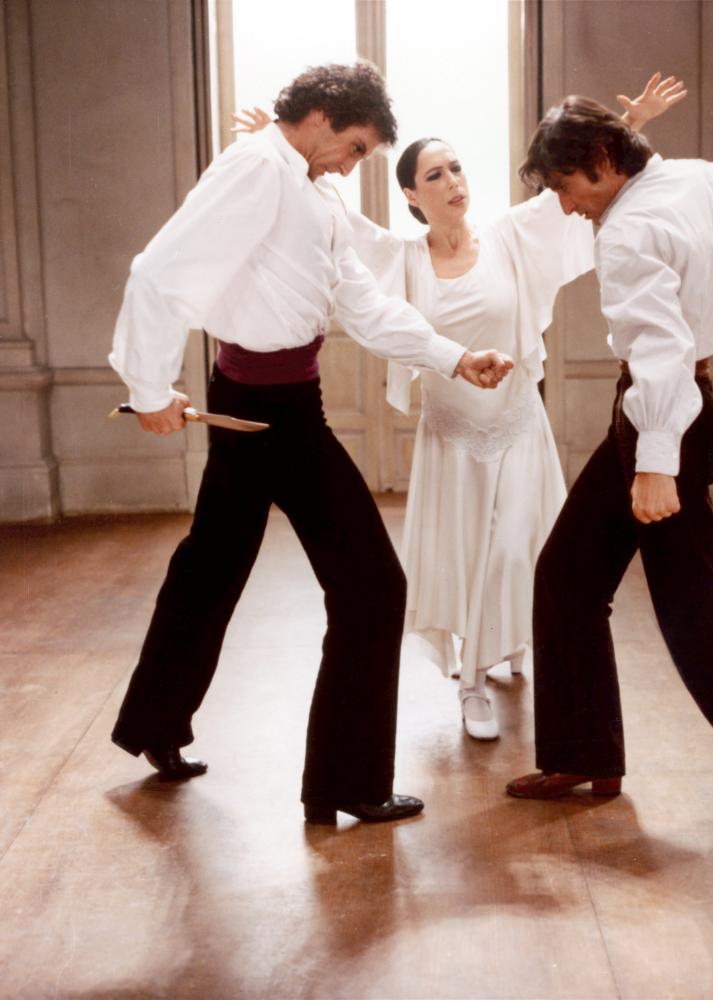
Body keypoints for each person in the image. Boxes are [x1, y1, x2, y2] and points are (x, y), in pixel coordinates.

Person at [108, 62, 513, 826]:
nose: (352, 164)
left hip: (284, 403)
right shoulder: (257, 168)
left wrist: (450, 355)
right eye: (355, 148)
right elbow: (157, 274)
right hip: (260, 414)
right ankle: (346, 785)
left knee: (210, 566)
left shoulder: (310, 187)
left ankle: (155, 725)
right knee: (371, 588)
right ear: (323, 116)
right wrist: (151, 391)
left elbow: (359, 301)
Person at [233, 73, 687, 741]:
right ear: (413, 196)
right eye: (434, 174)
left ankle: (494, 657)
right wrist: (277, 154)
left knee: (515, 553)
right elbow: (330, 214)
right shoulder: (399, 256)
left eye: (456, 167)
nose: (453, 181)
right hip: (450, 439)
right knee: (468, 559)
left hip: (517, 431)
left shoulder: (510, 235)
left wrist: (632, 125)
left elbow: (593, 183)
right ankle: (470, 684)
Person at [506, 96, 713, 832]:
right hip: (661, 411)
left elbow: (659, 351)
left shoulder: (626, 231)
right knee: (566, 573)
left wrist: (655, 463)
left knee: (691, 605)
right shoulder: (701, 178)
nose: (564, 207)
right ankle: (582, 752)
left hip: (666, 417)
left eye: (565, 187)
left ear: (600, 163)